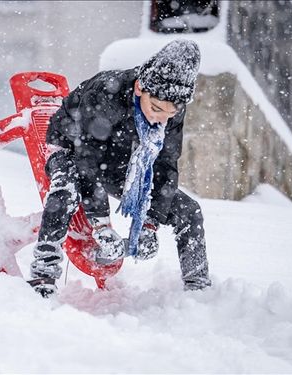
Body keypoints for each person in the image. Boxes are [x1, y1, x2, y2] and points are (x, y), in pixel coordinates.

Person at [28, 39, 211, 297]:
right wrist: (101, 225)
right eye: (156, 108)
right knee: (66, 190)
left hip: (122, 158)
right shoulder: (106, 92)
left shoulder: (172, 108)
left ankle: (199, 290)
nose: (159, 119)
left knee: (189, 210)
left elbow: (166, 165)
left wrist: (151, 222)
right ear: (139, 88)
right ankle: (42, 275)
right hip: (72, 147)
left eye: (168, 114)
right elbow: (87, 161)